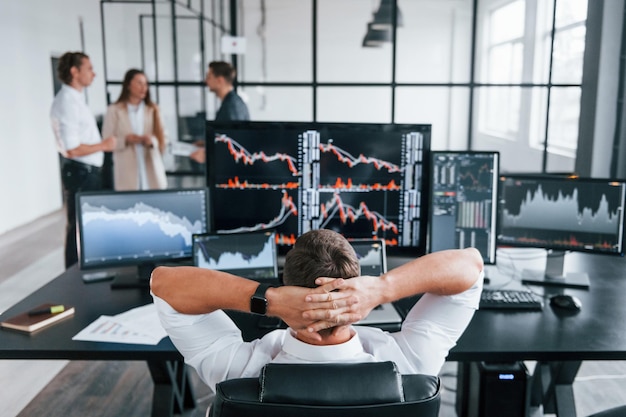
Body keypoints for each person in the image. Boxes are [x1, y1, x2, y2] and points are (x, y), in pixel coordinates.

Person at [151, 229, 484, 396]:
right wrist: (383, 288)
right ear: (356, 290)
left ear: (288, 283)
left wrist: (269, 300)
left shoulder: (239, 372)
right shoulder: (410, 364)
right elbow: (471, 266)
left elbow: (163, 282)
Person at [50, 51, 117, 269]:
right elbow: (70, 149)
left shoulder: (75, 99)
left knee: (85, 227)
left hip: (87, 172)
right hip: (81, 173)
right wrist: (103, 146)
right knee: (78, 229)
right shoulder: (67, 102)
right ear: (74, 71)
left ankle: (84, 272)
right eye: (89, 68)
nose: (94, 74)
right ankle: (73, 276)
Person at [101, 69, 167, 190]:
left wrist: (152, 141)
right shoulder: (114, 110)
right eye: (139, 83)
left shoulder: (153, 109)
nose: (144, 88)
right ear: (128, 85)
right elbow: (106, 140)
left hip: (151, 168)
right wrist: (126, 140)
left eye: (146, 84)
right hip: (126, 172)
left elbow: (163, 139)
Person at [190, 61, 249, 163]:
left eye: (209, 77)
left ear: (220, 80)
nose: (206, 81)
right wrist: (207, 143)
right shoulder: (232, 102)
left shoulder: (231, 107)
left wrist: (207, 155)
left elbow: (233, 144)